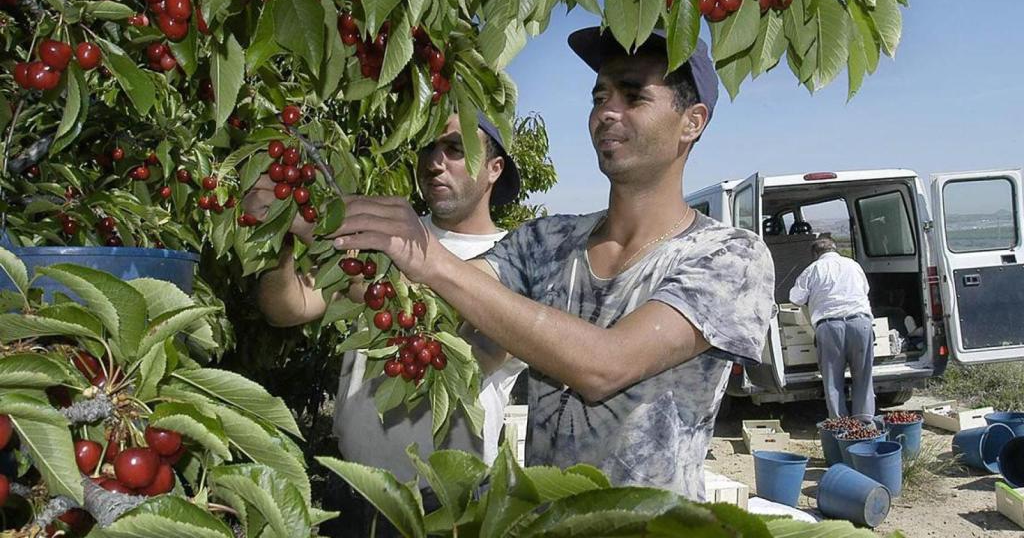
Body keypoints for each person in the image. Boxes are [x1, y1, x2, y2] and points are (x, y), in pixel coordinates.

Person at [327, 28, 775, 500]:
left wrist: (429, 257)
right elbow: (432, 306)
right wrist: (324, 231)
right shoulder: (546, 241)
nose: (607, 112)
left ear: (692, 122)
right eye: (600, 96)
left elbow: (605, 365)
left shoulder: (730, 257)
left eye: (633, 96)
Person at [243, 112, 523, 535]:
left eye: (454, 148)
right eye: (428, 148)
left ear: (494, 168)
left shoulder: (517, 258)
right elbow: (289, 306)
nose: (435, 162)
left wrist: (319, 232)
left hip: (445, 505)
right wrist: (275, 236)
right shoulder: (387, 228)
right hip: (353, 489)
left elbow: (465, 349)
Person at [789, 237, 875, 420]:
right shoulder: (853, 265)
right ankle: (865, 423)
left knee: (833, 380)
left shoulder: (812, 270)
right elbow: (865, 289)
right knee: (863, 377)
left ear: (815, 254)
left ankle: (840, 426)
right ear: (835, 249)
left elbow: (795, 298)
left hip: (829, 326)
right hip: (861, 323)